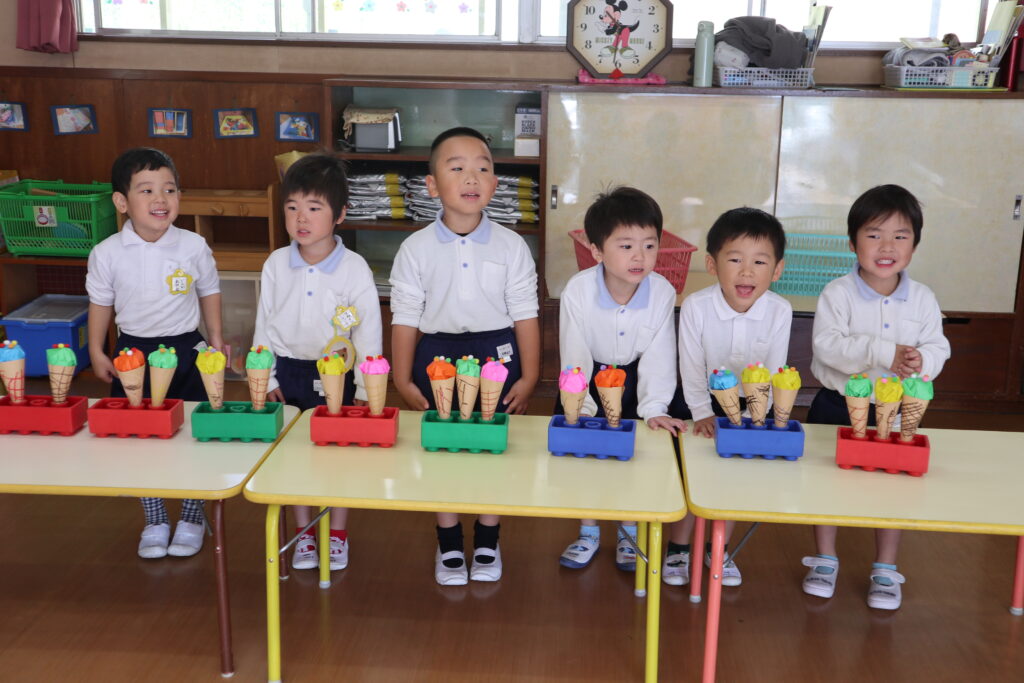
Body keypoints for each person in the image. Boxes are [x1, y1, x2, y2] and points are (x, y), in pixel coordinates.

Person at [389, 126, 540, 586]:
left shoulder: (512, 245)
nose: (471, 177)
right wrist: (401, 379)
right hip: (436, 354)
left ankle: (488, 540)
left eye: (482, 168)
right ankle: (450, 541)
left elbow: (525, 314)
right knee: (442, 448)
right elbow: (405, 316)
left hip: (497, 353)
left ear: (494, 182)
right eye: (456, 168)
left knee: (494, 448)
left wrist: (530, 377)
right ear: (432, 185)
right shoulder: (414, 248)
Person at [803, 184, 950, 610]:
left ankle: (885, 567)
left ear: (914, 246)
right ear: (852, 243)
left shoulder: (922, 299)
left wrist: (923, 360)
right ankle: (825, 558)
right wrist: (883, 352)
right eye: (874, 235)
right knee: (828, 483)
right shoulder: (837, 293)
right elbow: (826, 346)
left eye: (900, 236)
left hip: (899, 410)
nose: (887, 247)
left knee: (894, 486)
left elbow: (939, 347)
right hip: (837, 405)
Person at [86, 147, 223, 559]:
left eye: (169, 189)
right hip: (133, 354)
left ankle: (192, 516)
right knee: (138, 439)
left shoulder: (193, 245)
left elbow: (209, 291)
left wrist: (217, 340)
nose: (161, 199)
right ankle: (155, 518)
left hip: (187, 348)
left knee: (195, 433)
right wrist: (97, 349)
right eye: (146, 190)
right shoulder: (107, 252)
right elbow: (100, 303)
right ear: (121, 202)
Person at [253, 153, 382, 572]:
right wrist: (265, 377)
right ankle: (305, 534)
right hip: (288, 372)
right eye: (292, 207)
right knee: (292, 455)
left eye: (313, 208)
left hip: (337, 377)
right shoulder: (276, 264)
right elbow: (264, 325)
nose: (300, 218)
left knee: (337, 456)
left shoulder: (354, 269)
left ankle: (337, 533)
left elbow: (368, 333)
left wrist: (364, 387)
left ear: (340, 214)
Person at [556, 187, 688, 571]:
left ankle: (629, 531)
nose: (639, 257)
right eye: (626, 246)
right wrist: (582, 407)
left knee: (637, 456)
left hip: (636, 381)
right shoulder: (578, 290)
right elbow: (575, 355)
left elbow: (660, 355)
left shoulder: (662, 291)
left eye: (649, 245)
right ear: (597, 251)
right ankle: (588, 532)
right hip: (587, 380)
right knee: (587, 457)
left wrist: (655, 407)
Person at [672, 207, 791, 587]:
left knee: (736, 476)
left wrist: (759, 416)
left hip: (750, 408)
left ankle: (719, 549)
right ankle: (678, 548)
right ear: (712, 264)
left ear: (777, 270)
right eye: (735, 259)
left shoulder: (780, 311)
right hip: (698, 403)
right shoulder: (696, 306)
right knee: (692, 473)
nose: (747, 272)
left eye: (760, 262)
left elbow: (774, 372)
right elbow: (691, 366)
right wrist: (701, 412)